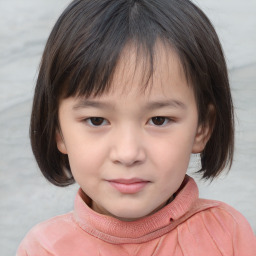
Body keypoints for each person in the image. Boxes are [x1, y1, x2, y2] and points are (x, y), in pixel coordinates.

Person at [17, 0, 256, 255]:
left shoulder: (226, 235)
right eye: (96, 120)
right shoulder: (44, 249)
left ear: (202, 128)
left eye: (159, 120)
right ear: (58, 130)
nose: (128, 154)